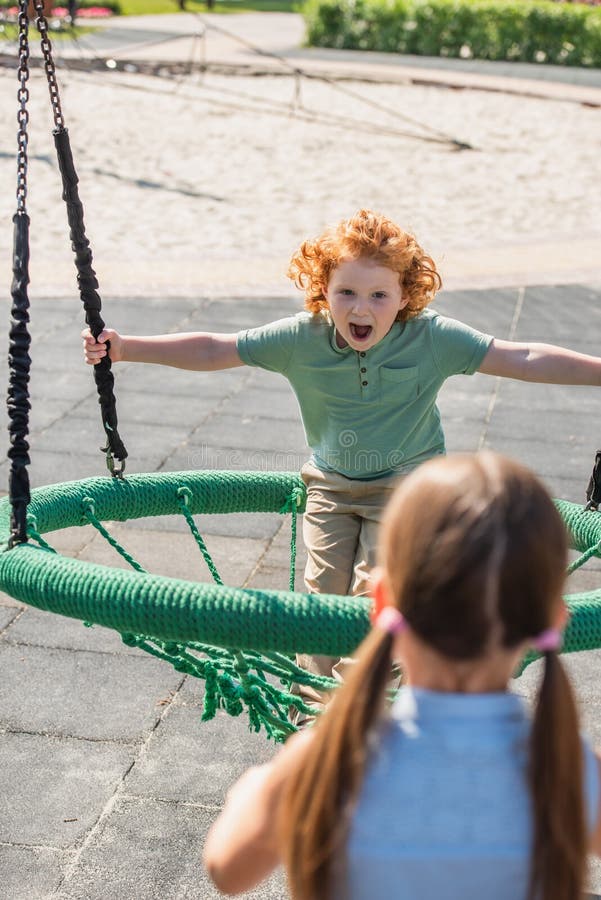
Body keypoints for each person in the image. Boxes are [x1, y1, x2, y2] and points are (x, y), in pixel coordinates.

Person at [82, 208, 601, 717]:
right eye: (346, 292)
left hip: (408, 491)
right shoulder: (300, 337)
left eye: (379, 295)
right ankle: (314, 710)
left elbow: (520, 357)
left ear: (405, 295)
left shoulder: (432, 338)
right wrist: (127, 349)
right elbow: (217, 348)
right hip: (330, 486)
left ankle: (364, 708)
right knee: (321, 598)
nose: (361, 308)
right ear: (323, 289)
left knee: (373, 594)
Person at [202, 451, 601, 900]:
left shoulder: (326, 762)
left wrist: (255, 791)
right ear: (553, 620)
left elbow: (226, 870)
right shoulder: (567, 770)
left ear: (381, 602)